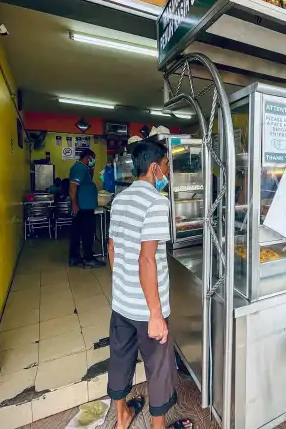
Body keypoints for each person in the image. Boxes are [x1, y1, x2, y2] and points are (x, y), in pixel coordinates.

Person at [107, 141, 191, 429]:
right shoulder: (157, 202)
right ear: (155, 168)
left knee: (120, 359)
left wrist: (121, 286)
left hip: (121, 303)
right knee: (158, 369)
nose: (167, 170)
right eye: (166, 165)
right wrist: (155, 315)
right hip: (147, 308)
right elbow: (147, 259)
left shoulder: (119, 200)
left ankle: (122, 418)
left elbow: (112, 247)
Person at [69, 148, 104, 268]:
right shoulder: (79, 168)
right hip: (83, 207)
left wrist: (92, 168)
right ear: (88, 158)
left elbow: (87, 181)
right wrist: (74, 204)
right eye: (92, 159)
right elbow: (72, 187)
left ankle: (75, 257)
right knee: (88, 233)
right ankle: (88, 258)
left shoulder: (84, 168)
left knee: (78, 232)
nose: (94, 161)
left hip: (84, 206)